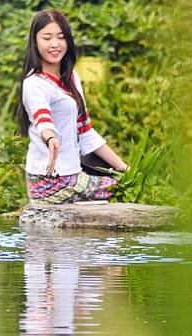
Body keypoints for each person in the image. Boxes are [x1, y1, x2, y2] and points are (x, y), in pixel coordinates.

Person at [17, 10, 128, 205]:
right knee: (119, 189)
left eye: (61, 37)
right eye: (47, 38)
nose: (55, 44)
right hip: (48, 181)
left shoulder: (72, 78)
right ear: (35, 42)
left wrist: (124, 168)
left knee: (127, 182)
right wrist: (51, 138)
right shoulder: (34, 83)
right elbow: (42, 118)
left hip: (72, 175)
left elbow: (86, 133)